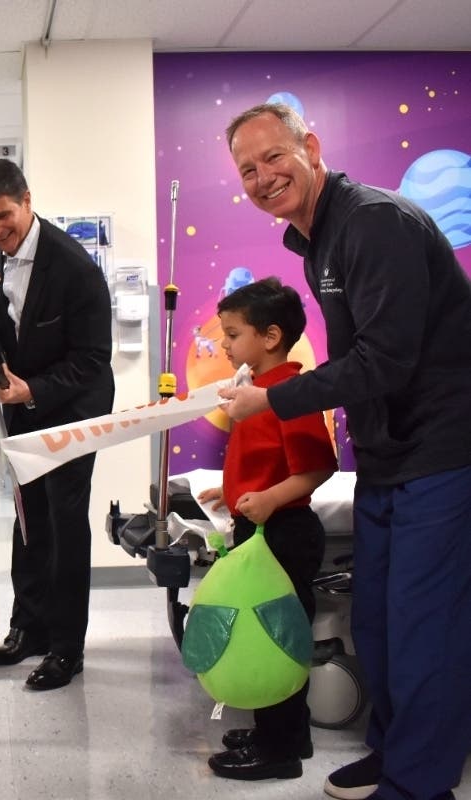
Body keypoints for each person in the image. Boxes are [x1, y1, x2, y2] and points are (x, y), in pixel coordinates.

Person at [221, 103, 471, 800]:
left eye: (275, 157)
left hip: (442, 450)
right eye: (248, 169)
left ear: (312, 146)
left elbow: (383, 360)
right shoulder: (318, 240)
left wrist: (271, 399)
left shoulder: (372, 223)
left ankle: (420, 784)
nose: (264, 177)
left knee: (426, 627)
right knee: (380, 621)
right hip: (389, 455)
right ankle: (394, 754)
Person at [0, 159, 114, 690]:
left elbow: (93, 360)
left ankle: (66, 647)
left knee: (63, 523)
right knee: (27, 519)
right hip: (19, 403)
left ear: (28, 200)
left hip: (72, 407)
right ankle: (27, 627)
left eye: (3, 218)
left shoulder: (75, 267)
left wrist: (34, 389)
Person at [196, 278, 336, 780]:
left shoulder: (289, 396)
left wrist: (269, 498)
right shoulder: (258, 394)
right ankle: (283, 735)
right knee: (263, 634)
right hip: (262, 529)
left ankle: (279, 753)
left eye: (233, 335)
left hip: (284, 533)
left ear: (271, 336)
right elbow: (264, 461)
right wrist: (230, 491)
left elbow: (318, 467)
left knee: (277, 641)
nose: (226, 345)